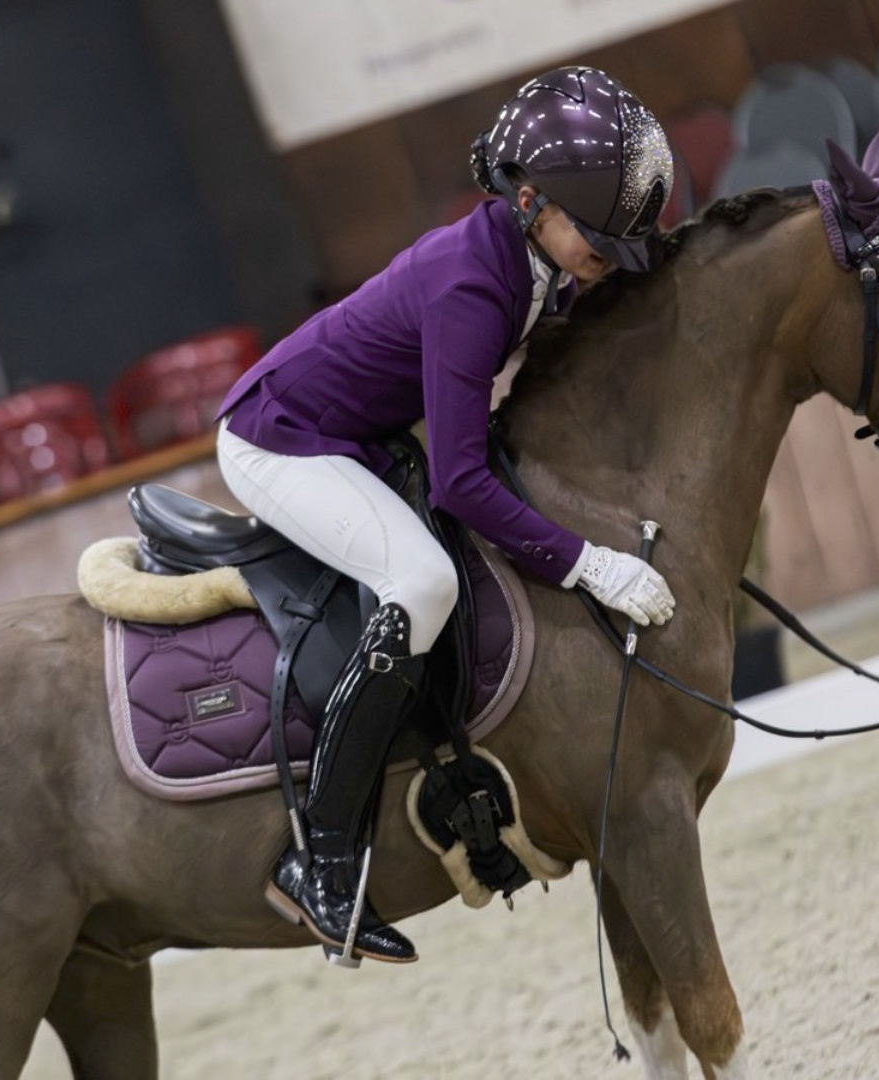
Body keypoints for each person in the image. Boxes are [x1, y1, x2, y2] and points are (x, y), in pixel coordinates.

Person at [215, 66, 678, 966]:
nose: (604, 253)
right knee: (421, 581)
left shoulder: (542, 260)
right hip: (277, 438)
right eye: (595, 233)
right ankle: (322, 856)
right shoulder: (472, 287)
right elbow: (464, 484)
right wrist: (588, 564)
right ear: (530, 198)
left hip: (358, 431)